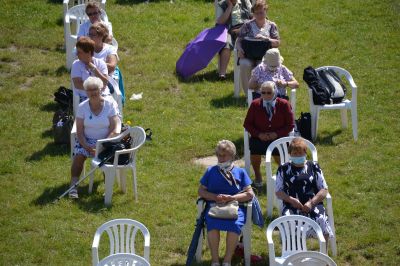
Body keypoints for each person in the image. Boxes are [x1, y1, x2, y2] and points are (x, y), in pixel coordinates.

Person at [198, 140, 254, 266]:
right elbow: (201, 191)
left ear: (232, 156)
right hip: (214, 206)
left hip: (235, 207)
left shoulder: (240, 172)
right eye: (218, 155)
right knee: (212, 224)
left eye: (224, 155)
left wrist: (232, 198)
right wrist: (214, 196)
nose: (220, 158)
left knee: (234, 225)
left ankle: (227, 260)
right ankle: (215, 260)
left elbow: (250, 194)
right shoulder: (210, 171)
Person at [69, 77, 120, 199]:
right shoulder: (82, 107)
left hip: (106, 141)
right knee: (79, 156)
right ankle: (73, 186)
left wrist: (101, 145)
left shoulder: (110, 104)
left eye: (95, 89)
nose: (93, 92)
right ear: (86, 92)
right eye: (89, 90)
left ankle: (108, 189)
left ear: (101, 89)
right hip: (86, 141)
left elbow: (115, 128)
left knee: (106, 159)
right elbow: (79, 130)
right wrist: (86, 145)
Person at [275, 137, 334, 240]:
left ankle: (324, 252)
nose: (298, 156)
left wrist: (312, 203)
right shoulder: (283, 169)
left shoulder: (314, 166)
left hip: (313, 203)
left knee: (321, 218)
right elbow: (278, 192)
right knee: (289, 220)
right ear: (290, 154)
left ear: (305, 153)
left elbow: (324, 189)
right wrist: (290, 200)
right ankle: (295, 251)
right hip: (292, 205)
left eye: (300, 153)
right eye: (295, 153)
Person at [243, 81, 294, 188]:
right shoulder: (255, 104)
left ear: (275, 92)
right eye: (263, 92)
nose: (266, 95)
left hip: (278, 138)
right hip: (259, 137)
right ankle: (258, 175)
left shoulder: (284, 104)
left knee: (279, 156)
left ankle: (282, 175)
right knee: (255, 151)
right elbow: (247, 124)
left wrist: (276, 134)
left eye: (269, 92)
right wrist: (258, 134)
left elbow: (290, 125)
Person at [235, 0, 280, 95]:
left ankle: (262, 94)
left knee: (262, 66)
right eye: (257, 13)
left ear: (266, 11)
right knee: (244, 64)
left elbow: (277, 43)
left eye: (261, 12)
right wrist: (239, 49)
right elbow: (239, 40)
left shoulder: (272, 26)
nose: (259, 15)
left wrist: (266, 39)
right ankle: (249, 95)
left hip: (264, 57)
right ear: (253, 13)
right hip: (248, 55)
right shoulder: (247, 25)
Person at [216, 0, 252, 79]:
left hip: (244, 28)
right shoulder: (222, 4)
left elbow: (252, 15)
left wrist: (243, 28)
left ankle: (247, 70)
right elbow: (220, 22)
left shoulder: (245, 2)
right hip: (229, 30)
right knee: (226, 43)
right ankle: (222, 74)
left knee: (248, 42)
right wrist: (229, 7)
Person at [89, 22, 125, 102]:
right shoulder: (86, 48)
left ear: (101, 36)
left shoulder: (110, 49)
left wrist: (92, 64)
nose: (90, 37)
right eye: (89, 35)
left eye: (93, 35)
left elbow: (112, 66)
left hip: (106, 79)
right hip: (88, 77)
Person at [71, 37, 109, 102]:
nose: (77, 54)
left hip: (103, 95)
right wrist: (96, 89)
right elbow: (77, 84)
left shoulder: (100, 63)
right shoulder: (76, 64)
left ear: (88, 52)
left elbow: (105, 82)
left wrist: (94, 69)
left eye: (79, 52)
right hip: (85, 97)